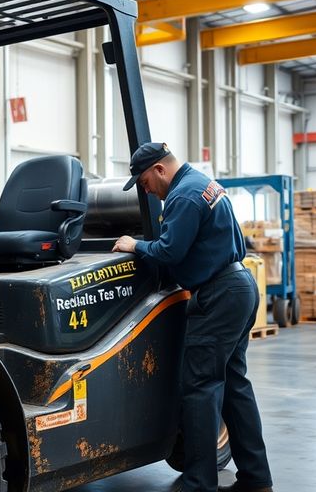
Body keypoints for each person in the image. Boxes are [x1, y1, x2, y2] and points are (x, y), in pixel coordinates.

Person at [112, 142, 273, 492]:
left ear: (159, 169)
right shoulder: (203, 184)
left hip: (218, 294)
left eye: (144, 183)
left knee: (200, 387)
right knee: (234, 386)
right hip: (238, 285)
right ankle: (257, 479)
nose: (146, 191)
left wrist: (134, 245)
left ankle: (200, 482)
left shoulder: (183, 197)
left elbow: (169, 250)